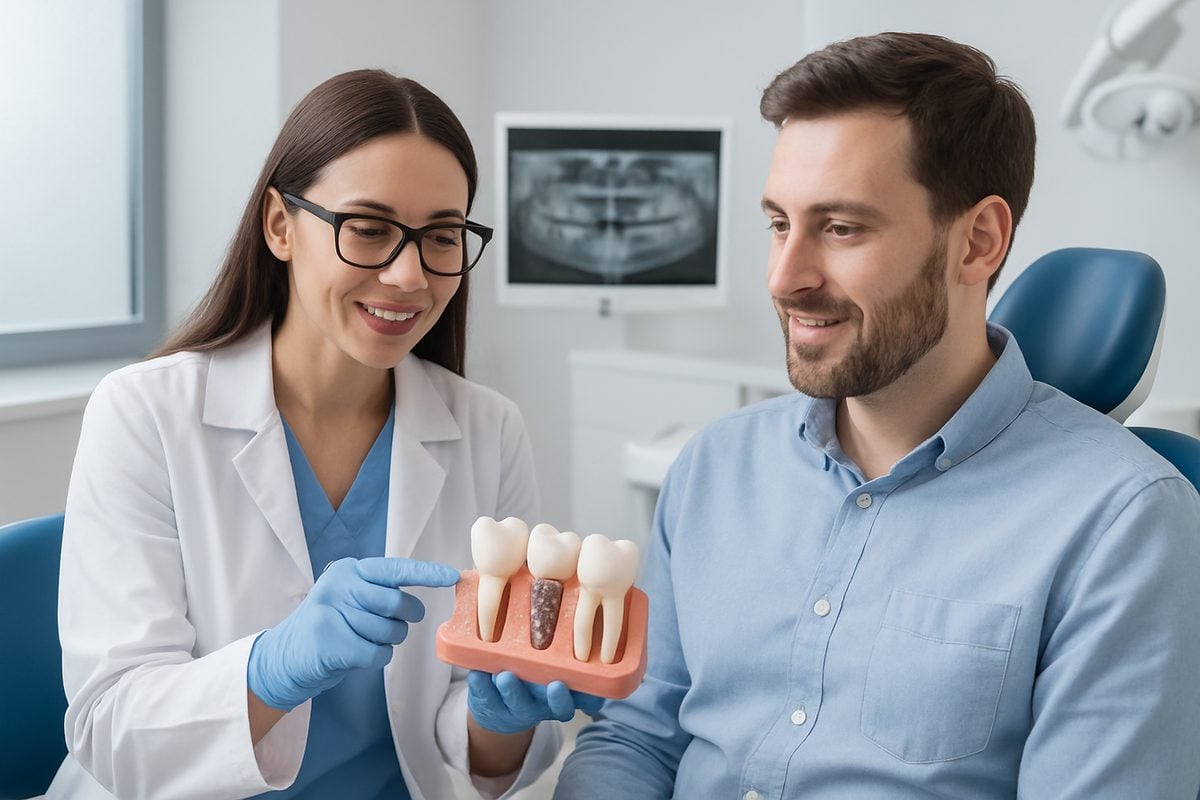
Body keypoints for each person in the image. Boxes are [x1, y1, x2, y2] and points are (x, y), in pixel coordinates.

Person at [555, 32, 1200, 799]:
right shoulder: (715, 467)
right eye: (778, 223)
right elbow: (637, 737)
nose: (785, 277)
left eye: (840, 228)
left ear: (978, 241)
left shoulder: (1123, 522)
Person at [50, 69, 597, 800]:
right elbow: (110, 726)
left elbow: (475, 753)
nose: (410, 276)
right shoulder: (144, 414)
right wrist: (272, 667)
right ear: (280, 225)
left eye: (441, 237)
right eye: (368, 229)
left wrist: (499, 719)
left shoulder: (488, 429)